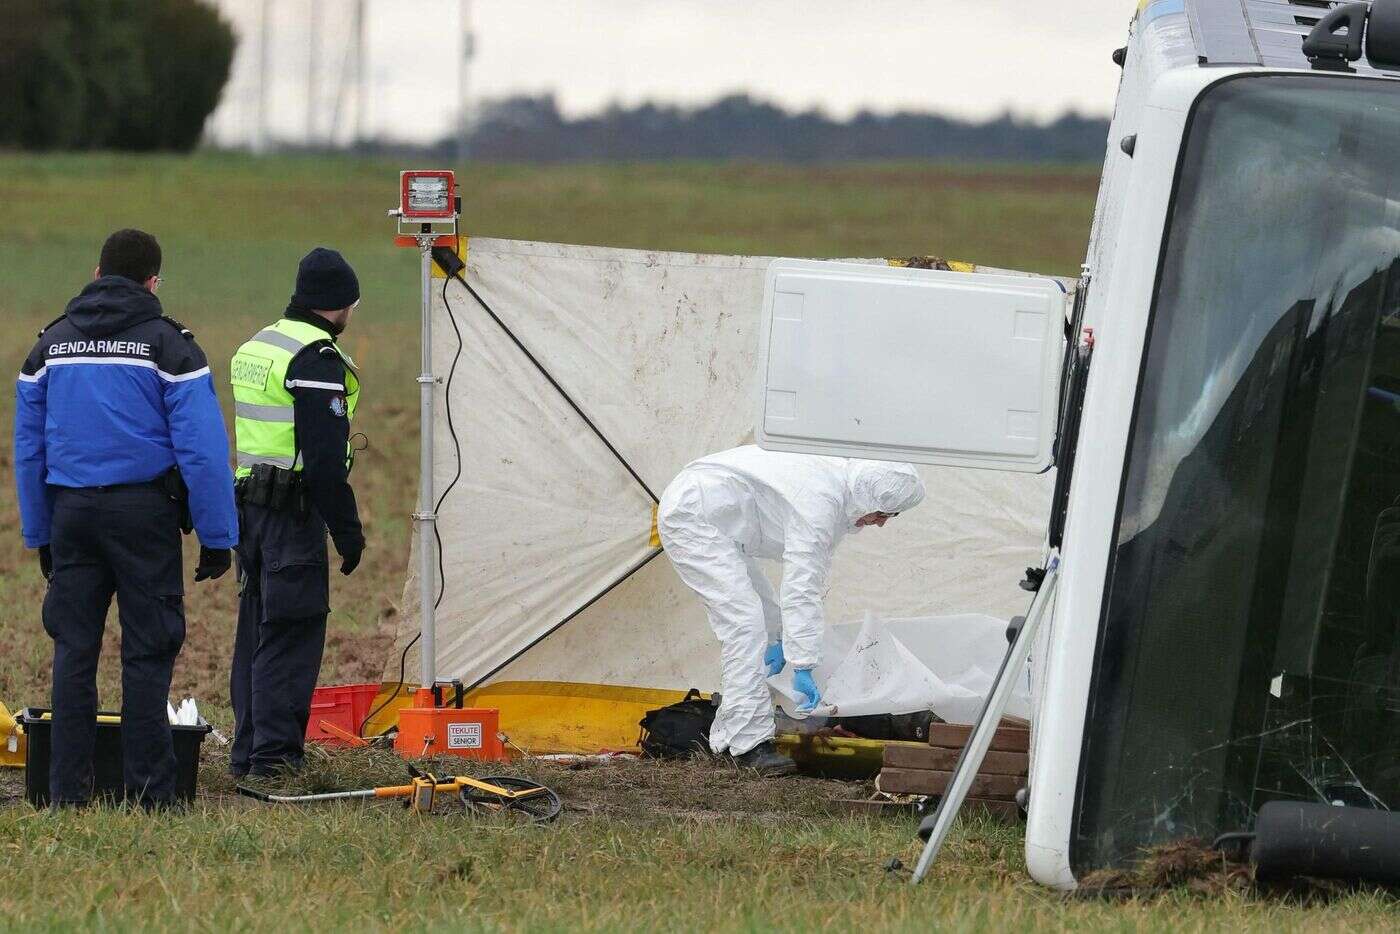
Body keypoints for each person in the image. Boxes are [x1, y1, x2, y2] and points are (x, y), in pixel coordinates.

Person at [13, 228, 237, 808]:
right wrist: (217, 536)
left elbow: (29, 450)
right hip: (144, 516)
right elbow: (203, 451)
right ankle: (152, 794)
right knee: (147, 651)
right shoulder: (171, 348)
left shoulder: (49, 347)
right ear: (153, 282)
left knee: (74, 649)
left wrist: (40, 532)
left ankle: (65, 793)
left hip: (71, 515)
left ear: (96, 273)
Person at [657, 444, 925, 775]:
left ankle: (729, 737)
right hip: (694, 517)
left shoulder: (837, 484)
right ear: (869, 498)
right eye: (885, 513)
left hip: (713, 515)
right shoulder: (821, 503)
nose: (882, 523)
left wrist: (781, 637)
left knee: (763, 618)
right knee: (745, 626)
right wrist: (803, 663)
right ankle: (748, 747)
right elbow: (802, 586)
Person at [229, 247, 365, 778]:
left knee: (256, 633)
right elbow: (326, 462)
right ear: (340, 305)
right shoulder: (315, 358)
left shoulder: (259, 345)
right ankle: (274, 761)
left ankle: (247, 754)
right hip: (291, 517)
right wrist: (347, 532)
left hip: (250, 513)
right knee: (292, 631)